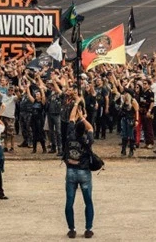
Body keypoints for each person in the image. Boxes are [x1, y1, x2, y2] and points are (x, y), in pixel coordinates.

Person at [64, 102, 94, 239]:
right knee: (88, 201)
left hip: (71, 170)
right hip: (84, 170)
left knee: (69, 202)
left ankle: (72, 229)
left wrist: (76, 104)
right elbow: (90, 127)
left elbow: (71, 118)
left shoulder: (70, 135)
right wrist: (82, 117)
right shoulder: (87, 139)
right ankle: (88, 229)